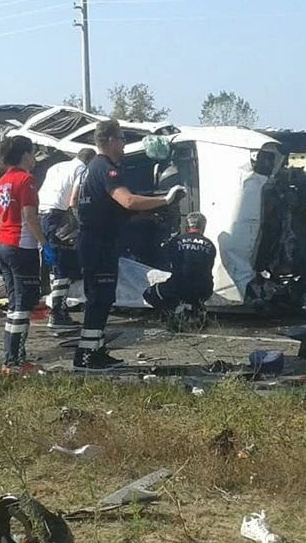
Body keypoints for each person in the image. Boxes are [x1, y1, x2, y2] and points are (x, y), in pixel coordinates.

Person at [74, 119, 186, 370]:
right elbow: (128, 201)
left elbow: (113, 209)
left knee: (100, 298)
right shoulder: (106, 168)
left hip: (95, 239)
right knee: (100, 298)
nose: (124, 145)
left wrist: (147, 215)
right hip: (98, 242)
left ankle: (94, 349)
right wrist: (164, 200)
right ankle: (87, 357)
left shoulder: (92, 167)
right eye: (122, 139)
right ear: (111, 140)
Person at [0, 135, 46, 374]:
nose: (34, 159)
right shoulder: (26, 181)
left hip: (3, 243)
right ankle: (15, 361)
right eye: (33, 153)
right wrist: (45, 244)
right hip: (22, 246)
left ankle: (11, 357)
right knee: (24, 304)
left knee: (14, 303)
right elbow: (30, 217)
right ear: (24, 155)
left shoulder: (1, 182)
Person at [38, 147, 95, 331]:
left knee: (56, 264)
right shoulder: (82, 170)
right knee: (63, 265)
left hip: (42, 214)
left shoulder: (56, 167)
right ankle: (57, 314)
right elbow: (73, 199)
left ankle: (58, 310)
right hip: (59, 216)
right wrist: (80, 223)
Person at [143, 212, 217, 321]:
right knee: (194, 287)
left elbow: (165, 261)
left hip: (179, 286)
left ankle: (173, 312)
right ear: (203, 227)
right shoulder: (210, 245)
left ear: (186, 226)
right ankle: (195, 309)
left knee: (149, 294)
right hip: (204, 289)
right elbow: (207, 267)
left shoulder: (176, 241)